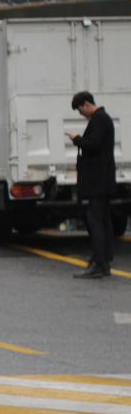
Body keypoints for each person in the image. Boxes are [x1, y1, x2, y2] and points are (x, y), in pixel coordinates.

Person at [67, 91, 117, 278]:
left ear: (86, 104)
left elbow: (93, 145)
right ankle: (103, 262)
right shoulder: (104, 119)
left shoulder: (99, 119)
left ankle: (97, 262)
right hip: (103, 180)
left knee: (94, 220)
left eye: (81, 110)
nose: (81, 114)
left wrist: (77, 140)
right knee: (103, 221)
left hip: (98, 181)